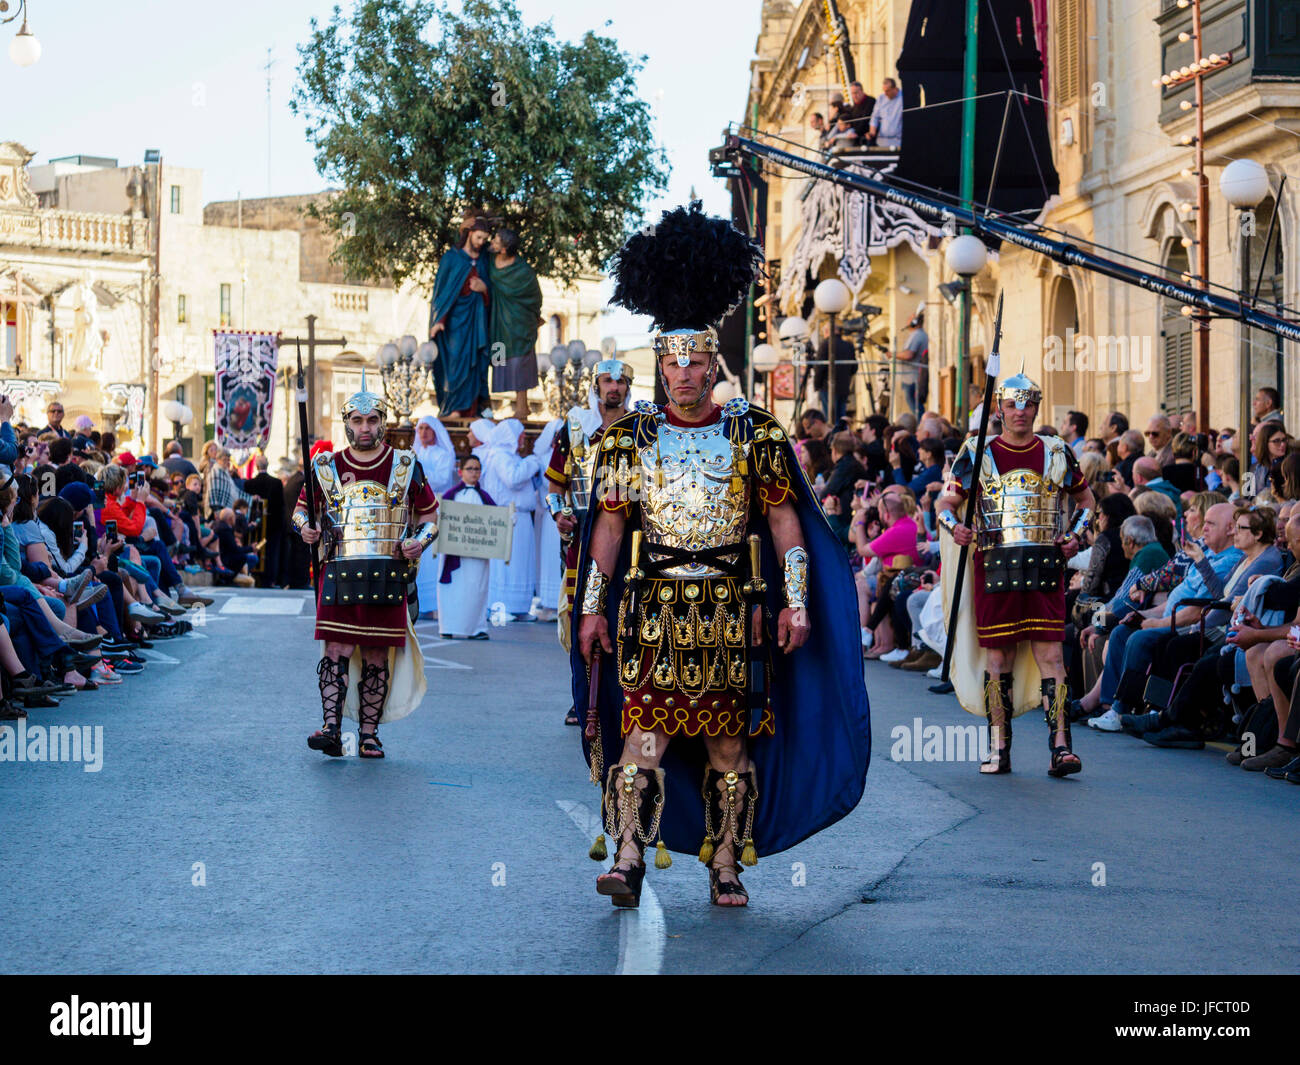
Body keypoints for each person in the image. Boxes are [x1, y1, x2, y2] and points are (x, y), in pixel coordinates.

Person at [573, 202, 870, 910]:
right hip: (654, 607)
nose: (682, 372)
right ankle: (627, 856)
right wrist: (589, 607)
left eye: (695, 360)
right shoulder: (627, 440)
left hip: (732, 609)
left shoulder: (755, 434)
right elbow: (609, 529)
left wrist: (797, 600)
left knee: (728, 749)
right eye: (671, 360)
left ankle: (726, 861)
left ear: (713, 363)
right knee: (642, 735)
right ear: (659, 364)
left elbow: (785, 521)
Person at [937, 368, 1096, 777]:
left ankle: (1061, 747)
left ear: (1037, 407)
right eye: (1012, 404)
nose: (1020, 412)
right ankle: (999, 745)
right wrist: (953, 527)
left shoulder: (1057, 451)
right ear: (1000, 408)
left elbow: (1088, 502)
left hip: (1045, 565)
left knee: (1051, 656)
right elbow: (945, 505)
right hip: (995, 566)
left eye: (1027, 405)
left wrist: (1076, 535)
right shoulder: (977, 452)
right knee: (998, 658)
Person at [293, 376, 438, 759]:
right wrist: (304, 528)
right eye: (357, 421)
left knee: (376, 653)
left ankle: (369, 734)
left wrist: (417, 542)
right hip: (339, 570)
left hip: (388, 572)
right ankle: (331, 728)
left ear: (382, 422)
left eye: (371, 420)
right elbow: (301, 509)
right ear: (347, 425)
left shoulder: (405, 465)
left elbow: (430, 516)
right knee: (335, 649)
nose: (364, 428)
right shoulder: (326, 466)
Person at [543, 358, 633, 723]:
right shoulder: (574, 427)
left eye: (621, 381)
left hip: (629, 534)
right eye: (608, 381)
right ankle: (583, 696)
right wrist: (558, 513)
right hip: (581, 532)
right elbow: (554, 485)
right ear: (596, 386)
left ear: (629, 386)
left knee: (625, 613)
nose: (614, 387)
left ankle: (624, 698)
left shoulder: (640, 428)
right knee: (581, 612)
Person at [429, 217, 493, 418]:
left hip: (476, 321)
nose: (481, 242)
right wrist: (438, 321)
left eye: (485, 238)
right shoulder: (452, 258)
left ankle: (473, 408)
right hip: (454, 322)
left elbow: (493, 289)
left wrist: (484, 289)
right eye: (479, 237)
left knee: (476, 364)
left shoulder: (484, 260)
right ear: (469, 234)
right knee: (455, 363)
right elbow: (441, 293)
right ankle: (452, 407)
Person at [483, 418, 541, 618]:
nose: (524, 438)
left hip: (521, 517)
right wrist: (533, 462)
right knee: (506, 564)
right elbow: (513, 479)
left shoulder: (512, 457)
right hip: (507, 516)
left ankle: (519, 606)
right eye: (521, 434)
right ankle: (501, 606)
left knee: (522, 563)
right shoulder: (500, 456)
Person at [487, 227, 544, 420]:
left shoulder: (523, 271)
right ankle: (489, 405)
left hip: (520, 324)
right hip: (498, 323)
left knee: (521, 361)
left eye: (496, 240)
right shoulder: (489, 262)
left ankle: (522, 407)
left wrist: (534, 316)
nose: (492, 242)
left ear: (503, 249)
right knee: (498, 358)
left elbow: (535, 296)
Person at [436, 455, 495, 639]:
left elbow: (496, 522)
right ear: (461, 472)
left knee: (476, 588)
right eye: (470, 469)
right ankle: (448, 626)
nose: (474, 472)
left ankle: (476, 628)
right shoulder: (451, 496)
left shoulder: (485, 497)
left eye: (477, 469)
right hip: (454, 553)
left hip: (477, 554)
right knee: (453, 590)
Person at [244, 456, 285, 589]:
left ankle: (255, 576)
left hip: (255, 526)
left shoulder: (249, 484)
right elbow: (280, 506)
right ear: (267, 465)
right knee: (271, 552)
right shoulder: (277, 483)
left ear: (256, 466)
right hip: (273, 526)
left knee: (257, 548)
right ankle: (269, 580)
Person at [813, 320, 855, 424]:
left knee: (831, 418)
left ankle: (834, 437)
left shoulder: (825, 344)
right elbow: (854, 367)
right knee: (842, 417)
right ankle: (842, 436)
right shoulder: (848, 346)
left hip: (827, 387)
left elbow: (819, 367)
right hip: (844, 387)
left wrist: (816, 385)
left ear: (827, 331)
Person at [895, 312, 928, 416]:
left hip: (912, 379)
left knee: (916, 408)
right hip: (911, 378)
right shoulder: (917, 335)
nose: (907, 320)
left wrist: (893, 354)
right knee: (915, 407)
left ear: (915, 322)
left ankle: (920, 426)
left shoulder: (917, 335)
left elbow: (909, 355)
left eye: (910, 318)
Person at [868, 77, 903, 149]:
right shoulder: (881, 98)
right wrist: (872, 131)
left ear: (894, 88)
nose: (885, 93)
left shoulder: (903, 97)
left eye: (888, 91)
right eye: (884, 91)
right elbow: (875, 117)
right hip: (882, 140)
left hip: (898, 140)